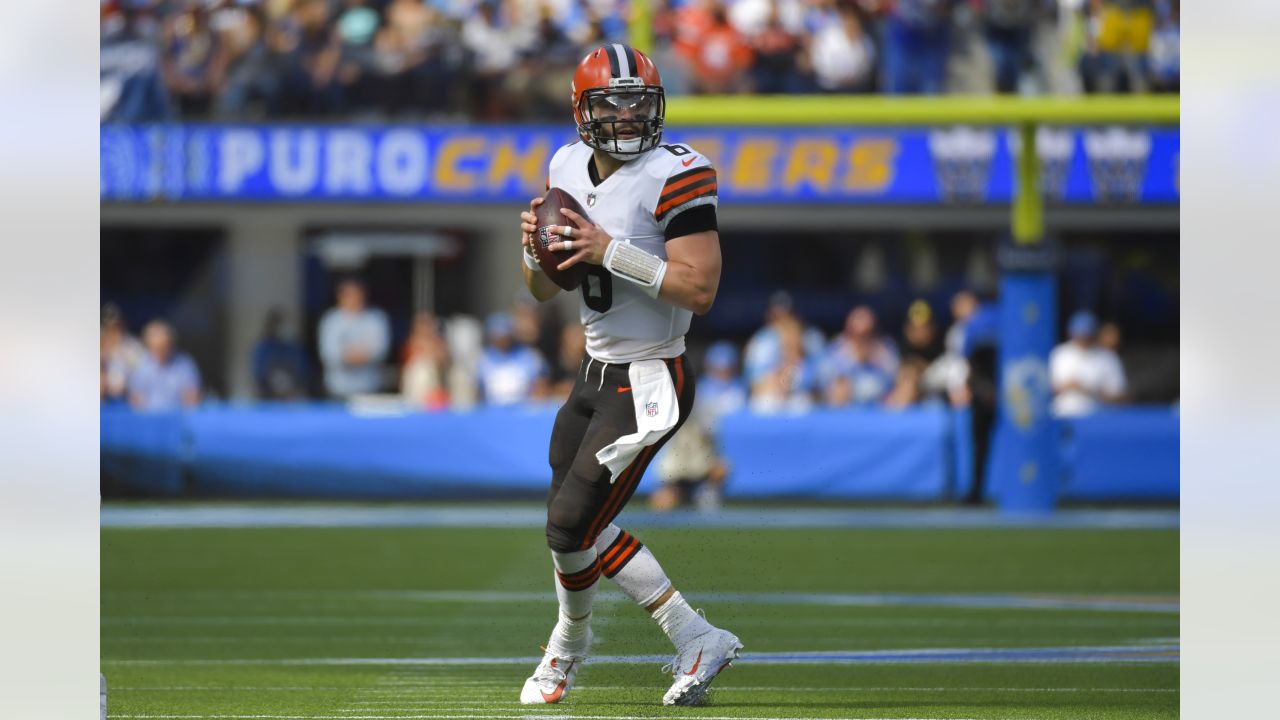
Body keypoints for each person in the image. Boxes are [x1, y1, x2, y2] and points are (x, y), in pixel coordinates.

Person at [515, 43, 741, 707]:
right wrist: (533, 250)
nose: (625, 118)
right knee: (573, 521)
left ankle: (567, 646)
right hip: (594, 368)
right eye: (610, 103)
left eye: (637, 103)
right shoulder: (564, 165)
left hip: (650, 377)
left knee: (569, 525)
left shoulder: (677, 172)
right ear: (581, 110)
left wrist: (607, 249)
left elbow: (700, 290)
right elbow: (539, 292)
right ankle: (698, 636)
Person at [652, 341, 747, 512]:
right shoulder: (667, 401)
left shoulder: (703, 402)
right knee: (662, 504)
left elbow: (709, 432)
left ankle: (705, 491)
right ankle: (684, 494)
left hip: (700, 465)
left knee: (722, 469)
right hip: (676, 467)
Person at [318, 278, 390, 399]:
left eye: (358, 295)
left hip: (369, 388)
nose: (355, 299)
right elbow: (329, 354)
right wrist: (352, 356)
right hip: (338, 391)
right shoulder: (331, 320)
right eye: (350, 295)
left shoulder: (375, 318)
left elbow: (380, 350)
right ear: (340, 297)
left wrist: (359, 355)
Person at [1050, 310, 1128, 416]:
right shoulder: (1060, 353)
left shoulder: (1107, 357)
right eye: (1079, 334)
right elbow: (1047, 390)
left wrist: (1091, 391)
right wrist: (1070, 385)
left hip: (1098, 415)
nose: (1082, 339)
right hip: (1063, 414)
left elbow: (1120, 396)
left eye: (1086, 335)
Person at [476, 311, 549, 406]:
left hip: (523, 412)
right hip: (492, 413)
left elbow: (541, 386)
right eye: (497, 336)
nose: (502, 340)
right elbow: (477, 393)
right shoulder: (481, 359)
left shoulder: (529, 356)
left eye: (505, 336)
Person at [128, 320, 201, 411]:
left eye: (165, 346)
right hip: (148, 420)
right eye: (157, 347)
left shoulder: (184, 364)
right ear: (148, 345)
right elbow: (136, 399)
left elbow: (192, 397)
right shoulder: (140, 365)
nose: (161, 351)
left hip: (178, 419)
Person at [252, 307, 309, 401]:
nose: (285, 328)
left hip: (294, 396)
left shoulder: (294, 348)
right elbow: (259, 374)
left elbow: (305, 372)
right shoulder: (263, 348)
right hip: (269, 397)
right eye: (280, 324)